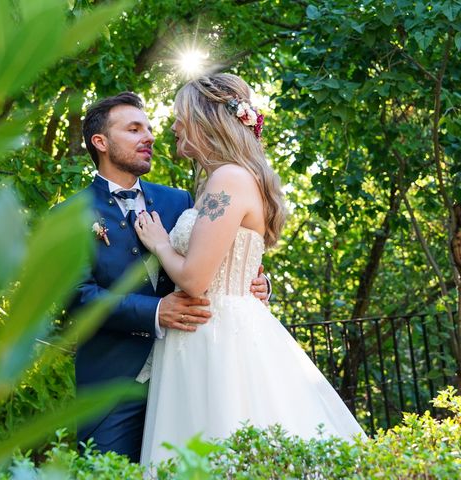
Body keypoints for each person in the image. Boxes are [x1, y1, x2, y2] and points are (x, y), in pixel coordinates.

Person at [134, 74, 365, 466]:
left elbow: (193, 279)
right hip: (205, 329)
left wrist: (157, 242)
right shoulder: (219, 180)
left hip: (217, 336)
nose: (172, 126)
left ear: (204, 120)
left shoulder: (229, 179)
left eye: (179, 116)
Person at [66, 92, 271, 462]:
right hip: (115, 384)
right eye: (133, 129)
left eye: (148, 127)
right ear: (101, 142)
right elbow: (77, 296)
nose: (149, 136)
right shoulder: (69, 215)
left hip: (191, 369)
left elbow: (216, 251)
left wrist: (255, 281)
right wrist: (156, 311)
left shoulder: (180, 199)